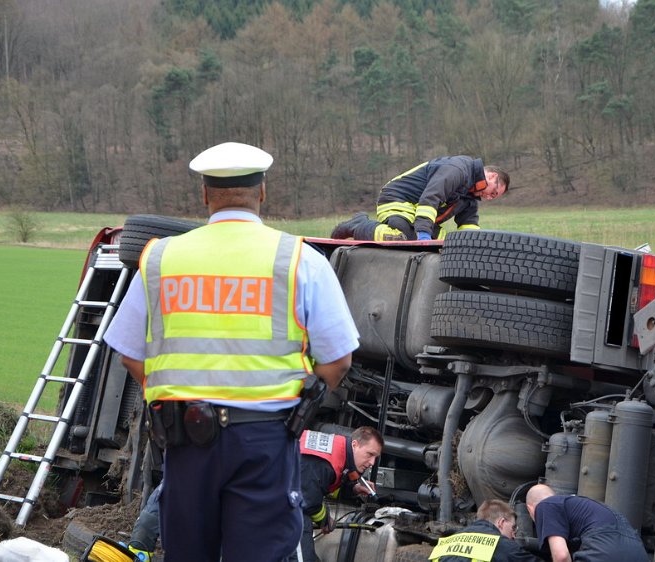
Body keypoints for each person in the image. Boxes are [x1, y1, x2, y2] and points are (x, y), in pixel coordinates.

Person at [103, 141, 360, 562]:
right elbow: (338, 360)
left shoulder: (160, 258)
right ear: (262, 193)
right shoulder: (299, 259)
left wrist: (168, 390)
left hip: (185, 437)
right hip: (265, 439)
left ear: (204, 194)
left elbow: (129, 352)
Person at [330, 156, 509, 241]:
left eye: (494, 197)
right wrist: (423, 234)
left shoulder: (471, 197)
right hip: (397, 199)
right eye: (493, 192)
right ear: (491, 176)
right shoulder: (458, 169)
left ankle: (418, 233)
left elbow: (469, 225)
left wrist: (472, 246)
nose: (490, 198)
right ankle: (357, 225)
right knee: (402, 237)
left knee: (444, 242)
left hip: (419, 215)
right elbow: (431, 197)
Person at [298, 426, 384, 562]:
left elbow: (322, 484)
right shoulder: (326, 463)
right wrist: (325, 519)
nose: (372, 463)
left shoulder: (339, 449)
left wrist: (353, 489)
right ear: (355, 445)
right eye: (369, 454)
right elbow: (308, 501)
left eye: (375, 457)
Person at [525, 484, 649, 562]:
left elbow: (561, 556)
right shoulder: (581, 505)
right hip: (637, 551)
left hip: (604, 550)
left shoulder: (545, 505)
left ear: (530, 509)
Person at [429, 499, 543, 562]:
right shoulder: (500, 544)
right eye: (513, 528)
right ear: (501, 523)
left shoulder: (449, 540)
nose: (514, 535)